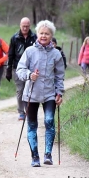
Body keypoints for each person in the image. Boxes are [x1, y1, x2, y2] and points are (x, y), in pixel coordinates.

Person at [16, 20, 65, 167]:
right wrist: (30, 75)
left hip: (50, 94)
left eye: (47, 33)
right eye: (41, 33)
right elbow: (20, 70)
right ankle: (35, 156)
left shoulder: (56, 54)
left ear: (51, 36)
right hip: (31, 94)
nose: (44, 36)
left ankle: (48, 154)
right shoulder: (29, 51)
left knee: (49, 120)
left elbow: (59, 76)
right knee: (32, 124)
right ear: (37, 34)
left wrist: (59, 93)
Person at [6, 17, 37, 120]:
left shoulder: (34, 37)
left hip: (31, 68)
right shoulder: (14, 38)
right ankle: (21, 111)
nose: (25, 28)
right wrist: (8, 69)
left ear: (30, 26)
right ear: (20, 25)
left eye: (27, 26)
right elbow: (10, 54)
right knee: (20, 90)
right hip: (18, 67)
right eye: (23, 26)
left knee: (29, 90)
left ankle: (29, 110)